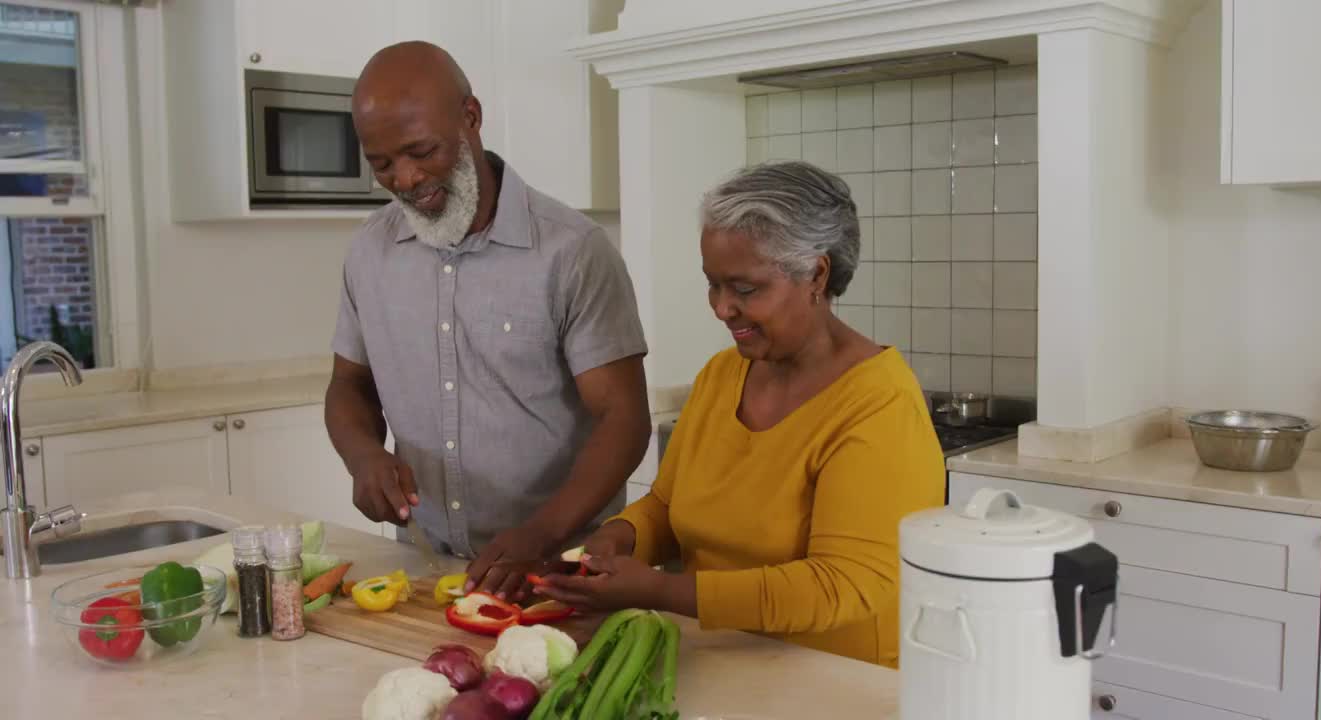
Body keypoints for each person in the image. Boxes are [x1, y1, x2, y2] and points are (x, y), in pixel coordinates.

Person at [535, 161, 946, 668]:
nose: (721, 308)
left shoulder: (878, 404)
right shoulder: (722, 375)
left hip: (836, 686)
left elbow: (842, 585)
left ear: (816, 274)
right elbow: (667, 506)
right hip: (715, 660)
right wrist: (620, 539)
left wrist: (664, 590)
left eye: (745, 289)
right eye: (713, 285)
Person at [325, 41, 652, 600]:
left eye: (421, 152)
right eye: (381, 164)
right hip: (426, 569)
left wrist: (543, 533)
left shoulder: (572, 250)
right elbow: (349, 385)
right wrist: (363, 456)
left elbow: (624, 419)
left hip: (559, 571)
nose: (404, 179)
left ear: (470, 118)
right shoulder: (369, 251)